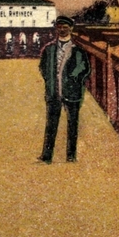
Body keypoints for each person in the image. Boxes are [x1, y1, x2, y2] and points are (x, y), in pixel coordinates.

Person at [38, 15, 91, 163]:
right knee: (51, 125)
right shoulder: (49, 49)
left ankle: (71, 155)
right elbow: (43, 67)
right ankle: (47, 156)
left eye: (65, 27)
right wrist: (50, 80)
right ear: (56, 29)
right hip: (53, 92)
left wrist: (74, 78)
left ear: (71, 29)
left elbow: (85, 68)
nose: (62, 30)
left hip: (72, 92)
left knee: (73, 124)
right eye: (59, 27)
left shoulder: (78, 51)